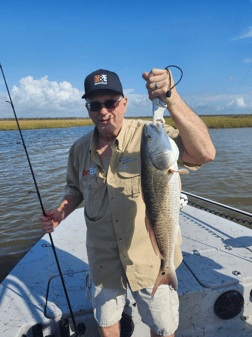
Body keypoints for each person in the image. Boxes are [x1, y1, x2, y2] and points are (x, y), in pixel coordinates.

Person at [39, 68, 216, 337]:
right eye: (94, 105)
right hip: (103, 260)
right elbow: (74, 189)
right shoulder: (78, 149)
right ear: (89, 109)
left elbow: (204, 153)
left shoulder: (151, 134)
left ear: (124, 102)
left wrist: (172, 99)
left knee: (163, 327)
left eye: (110, 102)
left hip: (150, 257)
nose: (103, 111)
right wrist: (60, 212)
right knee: (107, 321)